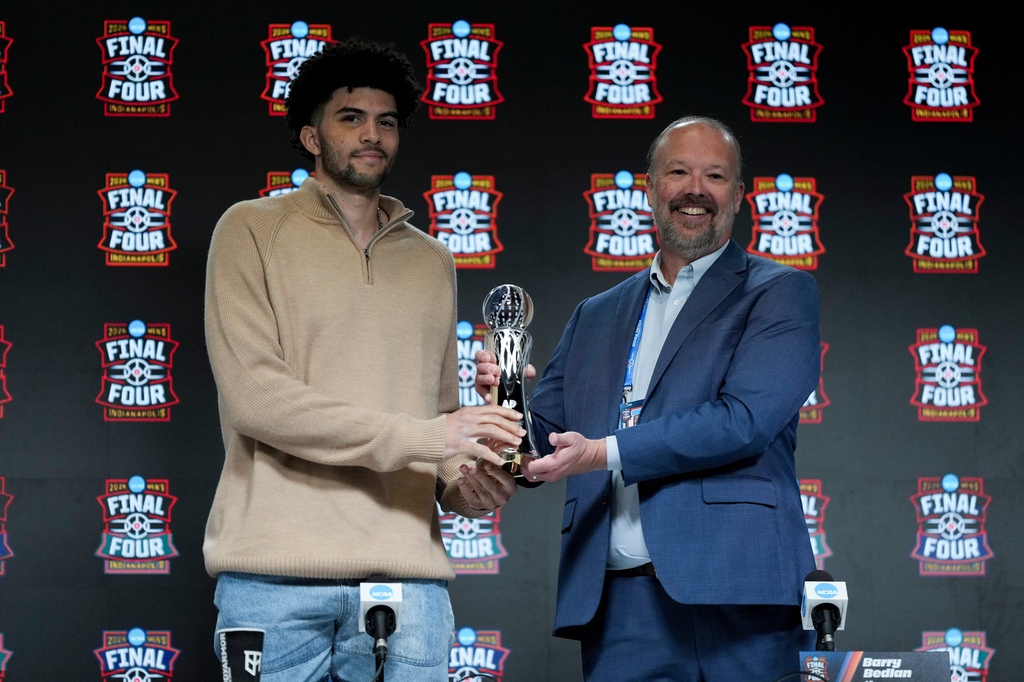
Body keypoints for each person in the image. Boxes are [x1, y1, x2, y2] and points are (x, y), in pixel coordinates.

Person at [203, 39, 525, 682]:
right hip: (273, 575)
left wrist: (470, 481)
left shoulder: (432, 260)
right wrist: (432, 437)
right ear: (310, 136)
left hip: (406, 576)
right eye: (350, 117)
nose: (371, 135)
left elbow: (435, 426)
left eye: (386, 121)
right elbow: (257, 399)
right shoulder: (248, 230)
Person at [477, 116, 820, 681]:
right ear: (650, 188)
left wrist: (602, 452)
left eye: (714, 175)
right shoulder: (597, 312)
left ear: (738, 194)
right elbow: (540, 448)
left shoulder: (779, 291)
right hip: (620, 604)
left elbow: (743, 422)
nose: (695, 189)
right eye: (678, 172)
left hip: (740, 595)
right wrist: (504, 401)